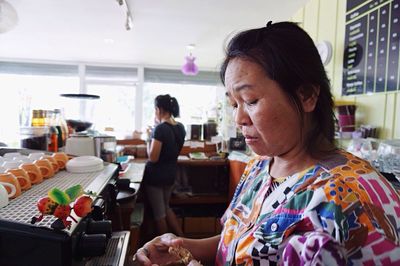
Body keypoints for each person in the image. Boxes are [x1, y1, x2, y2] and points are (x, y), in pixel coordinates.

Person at [134, 21, 400, 265]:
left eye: (250, 100)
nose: (239, 118)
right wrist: (181, 248)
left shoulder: (349, 199)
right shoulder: (259, 166)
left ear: (306, 95)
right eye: (233, 104)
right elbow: (238, 245)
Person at [143, 94, 186, 237]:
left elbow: (153, 157)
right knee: (166, 207)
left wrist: (149, 138)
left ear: (158, 109)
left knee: (159, 214)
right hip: (170, 174)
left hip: (156, 176)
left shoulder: (160, 129)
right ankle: (182, 237)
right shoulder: (180, 127)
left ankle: (167, 247)